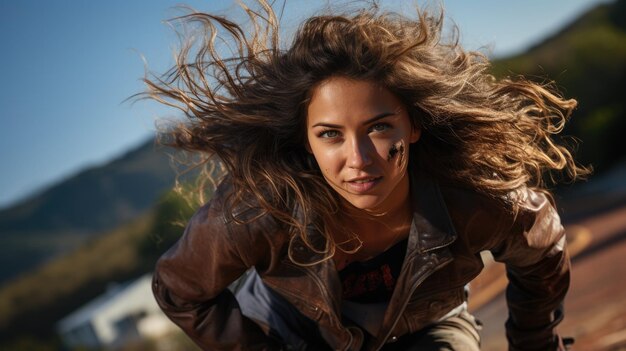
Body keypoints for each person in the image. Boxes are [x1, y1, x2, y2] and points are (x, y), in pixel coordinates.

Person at [145, 1, 588, 350]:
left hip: (427, 330)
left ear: (413, 126)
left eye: (378, 127)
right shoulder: (257, 210)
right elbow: (180, 289)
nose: (357, 158)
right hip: (288, 336)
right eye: (330, 135)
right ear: (306, 142)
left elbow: (542, 247)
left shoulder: (475, 200)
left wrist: (535, 343)